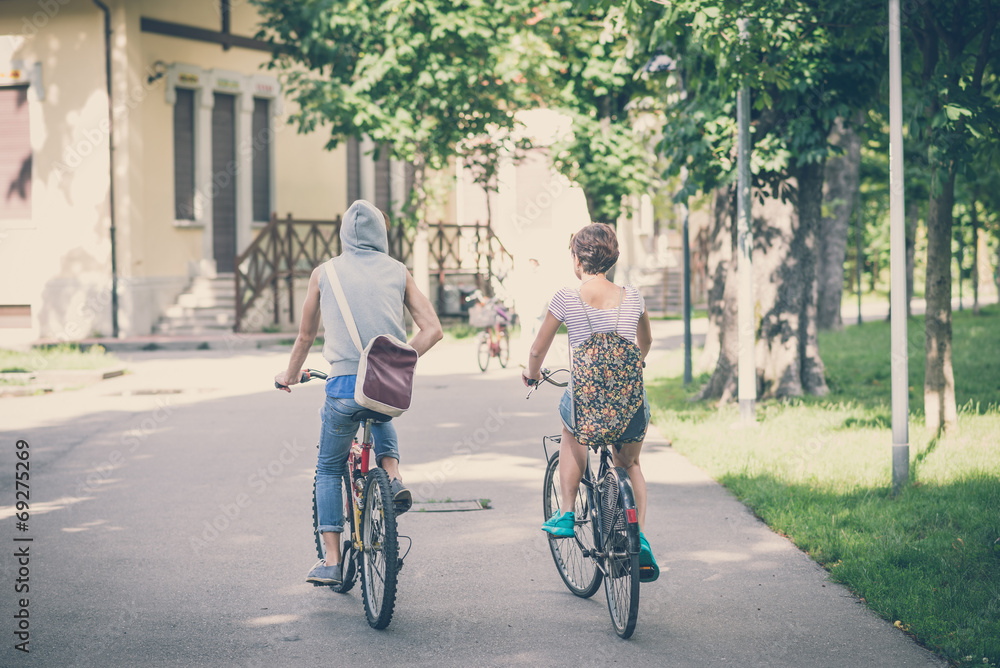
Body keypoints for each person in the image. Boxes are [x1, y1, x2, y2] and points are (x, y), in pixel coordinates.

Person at [275, 200, 443, 586]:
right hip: (385, 386)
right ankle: (393, 477)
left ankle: (332, 560)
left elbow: (305, 335)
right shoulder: (399, 271)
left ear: (343, 234)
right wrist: (397, 360)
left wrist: (289, 374)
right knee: (379, 406)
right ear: (380, 234)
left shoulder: (324, 273)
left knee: (329, 469)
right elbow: (432, 328)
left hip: (343, 387)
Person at [521, 222, 658, 581]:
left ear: (577, 259)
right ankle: (639, 537)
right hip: (630, 403)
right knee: (631, 465)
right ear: (612, 259)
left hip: (587, 402)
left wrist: (532, 374)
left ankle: (566, 513)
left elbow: (538, 349)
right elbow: (645, 344)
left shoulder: (566, 297)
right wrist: (634, 364)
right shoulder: (634, 297)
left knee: (570, 429)